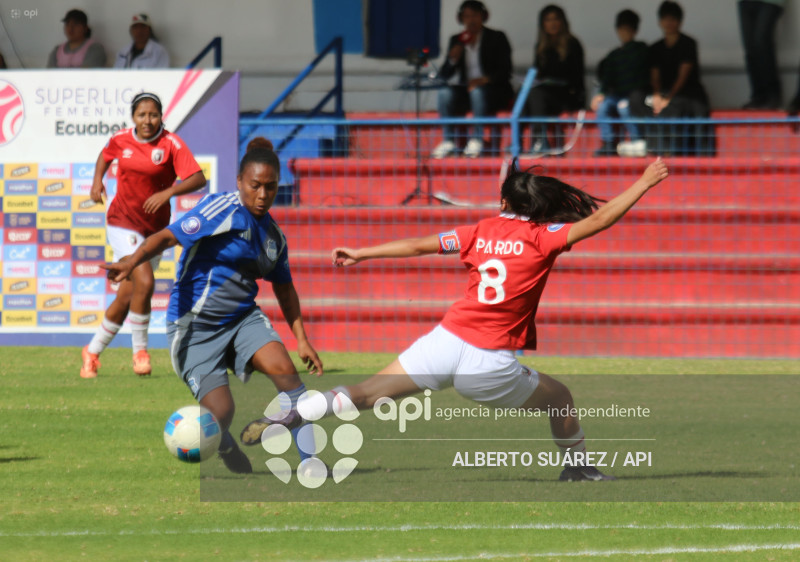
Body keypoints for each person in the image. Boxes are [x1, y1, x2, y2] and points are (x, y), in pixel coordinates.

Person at [242, 158, 670, 482]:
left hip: (445, 341)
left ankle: (298, 412)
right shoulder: (544, 238)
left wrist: (363, 252)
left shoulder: (478, 231)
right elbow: (600, 218)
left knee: (369, 393)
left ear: (503, 203)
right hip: (489, 363)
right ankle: (578, 470)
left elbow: (416, 246)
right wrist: (645, 182)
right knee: (560, 397)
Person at [102, 138, 324, 474]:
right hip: (194, 327)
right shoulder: (221, 210)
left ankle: (313, 465)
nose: (262, 195)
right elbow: (166, 237)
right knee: (221, 414)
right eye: (255, 186)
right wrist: (131, 262)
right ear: (239, 182)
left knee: (290, 379)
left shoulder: (274, 237)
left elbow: (285, 288)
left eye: (271, 187)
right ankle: (223, 442)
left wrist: (302, 339)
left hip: (242, 320)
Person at [80, 92, 206, 379]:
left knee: (128, 295)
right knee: (145, 280)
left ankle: (92, 352)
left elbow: (198, 178)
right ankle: (140, 352)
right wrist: (97, 180)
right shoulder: (122, 139)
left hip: (153, 229)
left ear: (161, 116)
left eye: (153, 114)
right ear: (133, 117)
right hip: (122, 222)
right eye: (141, 115)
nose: (147, 120)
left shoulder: (171, 143)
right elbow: (105, 155)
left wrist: (169, 191)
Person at [430, 0, 514, 159]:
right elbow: (445, 75)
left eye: (474, 15)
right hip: (467, 91)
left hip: (493, 91)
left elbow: (505, 71)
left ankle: (477, 139)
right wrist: (452, 59)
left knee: (477, 91)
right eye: (467, 16)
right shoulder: (457, 39)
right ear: (461, 19)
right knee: (444, 93)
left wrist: (483, 80)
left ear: (483, 16)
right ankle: (448, 141)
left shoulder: (496, 37)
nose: (471, 20)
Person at [628, 1, 713, 156]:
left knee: (680, 109)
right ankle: (646, 145)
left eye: (673, 19)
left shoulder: (688, 44)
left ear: (680, 21)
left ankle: (680, 153)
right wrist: (657, 95)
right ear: (660, 22)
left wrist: (668, 98)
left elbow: (683, 75)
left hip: (688, 92)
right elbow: (655, 76)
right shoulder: (655, 48)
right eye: (665, 19)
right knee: (637, 99)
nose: (669, 23)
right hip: (663, 91)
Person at [520, 5, 585, 154]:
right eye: (548, 20)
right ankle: (521, 140)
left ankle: (539, 139)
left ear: (562, 22)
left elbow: (575, 77)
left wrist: (551, 80)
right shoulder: (541, 46)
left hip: (566, 95)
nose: (553, 23)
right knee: (526, 90)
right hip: (545, 94)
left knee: (536, 93)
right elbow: (537, 71)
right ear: (543, 24)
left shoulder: (572, 44)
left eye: (556, 19)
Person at [591, 10, 649, 157]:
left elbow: (646, 76)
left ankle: (637, 142)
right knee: (603, 106)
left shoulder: (641, 50)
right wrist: (600, 94)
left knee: (624, 107)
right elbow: (607, 78)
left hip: (634, 96)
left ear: (635, 30)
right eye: (622, 29)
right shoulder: (614, 55)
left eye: (628, 29)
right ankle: (608, 143)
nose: (624, 33)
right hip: (617, 94)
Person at [738, 0, 784, 110]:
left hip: (771, 2)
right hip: (745, 2)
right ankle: (758, 96)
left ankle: (772, 95)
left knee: (762, 44)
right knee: (750, 48)